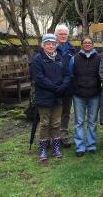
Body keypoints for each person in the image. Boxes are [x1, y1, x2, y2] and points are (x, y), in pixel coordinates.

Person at [31, 33, 71, 163]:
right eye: (48, 44)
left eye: (53, 44)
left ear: (56, 45)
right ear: (43, 45)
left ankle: (56, 147)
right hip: (44, 97)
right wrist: (55, 87)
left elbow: (67, 74)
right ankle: (43, 149)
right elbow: (39, 78)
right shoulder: (37, 59)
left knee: (56, 123)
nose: (50, 46)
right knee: (44, 123)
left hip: (58, 97)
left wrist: (64, 85)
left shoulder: (60, 57)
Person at [69, 36, 101, 157]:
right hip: (79, 95)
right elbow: (71, 75)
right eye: (85, 43)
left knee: (92, 122)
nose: (87, 44)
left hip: (95, 94)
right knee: (79, 122)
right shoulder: (74, 58)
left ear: (93, 44)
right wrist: (75, 88)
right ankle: (80, 147)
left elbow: (102, 74)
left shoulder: (99, 58)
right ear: (81, 45)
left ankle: (91, 145)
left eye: (89, 42)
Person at [55, 24, 76, 148]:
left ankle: (63, 135)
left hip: (68, 86)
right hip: (55, 86)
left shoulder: (72, 49)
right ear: (56, 35)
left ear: (68, 35)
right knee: (54, 112)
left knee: (66, 112)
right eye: (60, 34)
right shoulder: (51, 47)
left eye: (65, 34)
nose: (63, 36)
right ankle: (53, 136)